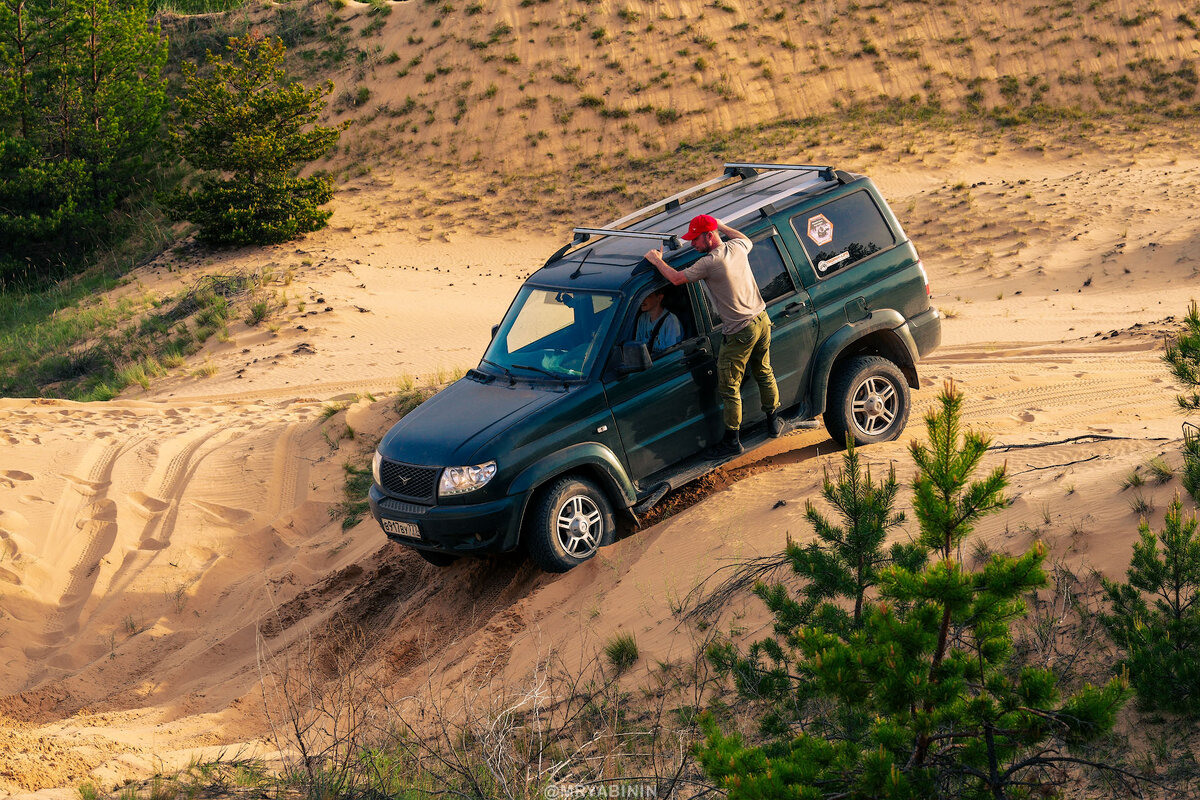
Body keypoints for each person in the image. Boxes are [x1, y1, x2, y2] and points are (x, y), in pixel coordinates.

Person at [644, 214, 783, 457]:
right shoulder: (737, 247)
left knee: (729, 386)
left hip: (740, 330)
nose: (692, 244)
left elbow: (676, 278)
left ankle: (732, 441)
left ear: (709, 236)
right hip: (762, 320)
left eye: (695, 239)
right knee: (764, 370)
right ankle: (774, 421)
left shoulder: (711, 262)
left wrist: (657, 261)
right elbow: (743, 237)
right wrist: (721, 225)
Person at [634, 288, 683, 355]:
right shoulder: (642, 318)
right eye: (641, 296)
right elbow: (637, 347)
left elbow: (672, 355)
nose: (642, 299)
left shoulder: (671, 321)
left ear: (659, 298)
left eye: (647, 296)